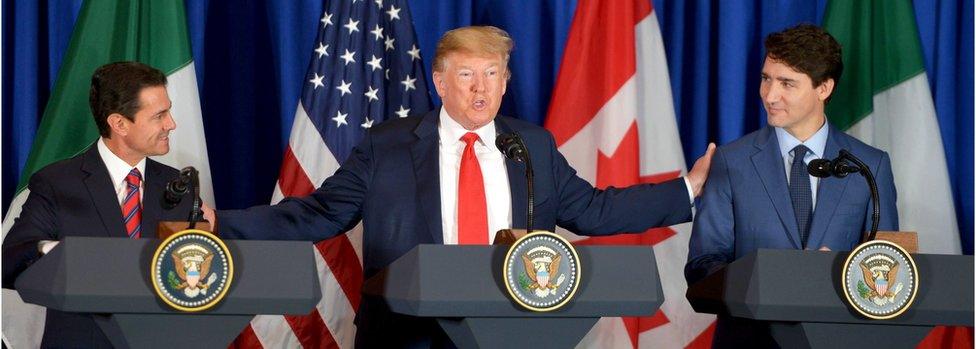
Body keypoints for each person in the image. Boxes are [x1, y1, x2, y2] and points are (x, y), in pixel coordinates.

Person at [205, 25, 716, 347]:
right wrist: (220, 222)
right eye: (468, 74)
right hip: (411, 334)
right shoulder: (387, 146)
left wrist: (686, 191)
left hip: (513, 330)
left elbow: (592, 211)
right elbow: (317, 215)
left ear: (506, 81)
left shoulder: (530, 145)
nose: (481, 88)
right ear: (441, 82)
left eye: (493, 73)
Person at [684, 24, 898, 348]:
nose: (770, 95)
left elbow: (887, 266)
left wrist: (840, 272)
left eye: (787, 83)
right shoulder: (731, 162)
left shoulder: (870, 166)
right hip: (749, 341)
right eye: (766, 78)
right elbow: (702, 266)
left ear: (823, 88)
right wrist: (774, 278)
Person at [2, 61, 197, 348]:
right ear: (119, 123)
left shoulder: (179, 185)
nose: (172, 124)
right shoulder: (57, 183)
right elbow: (9, 264)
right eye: (159, 115)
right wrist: (56, 251)